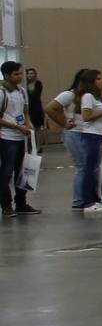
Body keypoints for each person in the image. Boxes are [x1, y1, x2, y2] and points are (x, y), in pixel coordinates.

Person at [47, 68, 102, 213]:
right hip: (74, 133)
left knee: (90, 167)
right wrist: (64, 122)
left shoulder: (90, 96)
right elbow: (50, 108)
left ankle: (87, 198)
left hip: (86, 132)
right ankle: (80, 201)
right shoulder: (69, 94)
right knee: (83, 167)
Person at [1, 60, 36, 216]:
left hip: (22, 137)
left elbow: (25, 111)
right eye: (16, 74)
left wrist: (28, 124)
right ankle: (6, 205)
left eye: (20, 73)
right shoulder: (2, 92)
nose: (20, 76)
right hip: (6, 138)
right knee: (6, 172)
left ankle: (21, 203)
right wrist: (17, 127)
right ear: (6, 75)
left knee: (22, 171)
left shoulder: (21, 91)